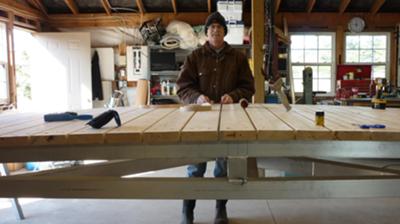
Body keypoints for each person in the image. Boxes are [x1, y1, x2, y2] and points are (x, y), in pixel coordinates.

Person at [176, 11, 255, 224]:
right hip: (199, 120)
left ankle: (220, 210)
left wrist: (234, 96)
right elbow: (182, 88)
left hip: (228, 120)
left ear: (224, 33)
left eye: (220, 27)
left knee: (222, 168)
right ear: (207, 32)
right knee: (195, 167)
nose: (215, 30)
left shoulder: (238, 57)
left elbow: (249, 87)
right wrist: (198, 97)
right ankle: (187, 211)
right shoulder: (194, 57)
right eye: (212, 27)